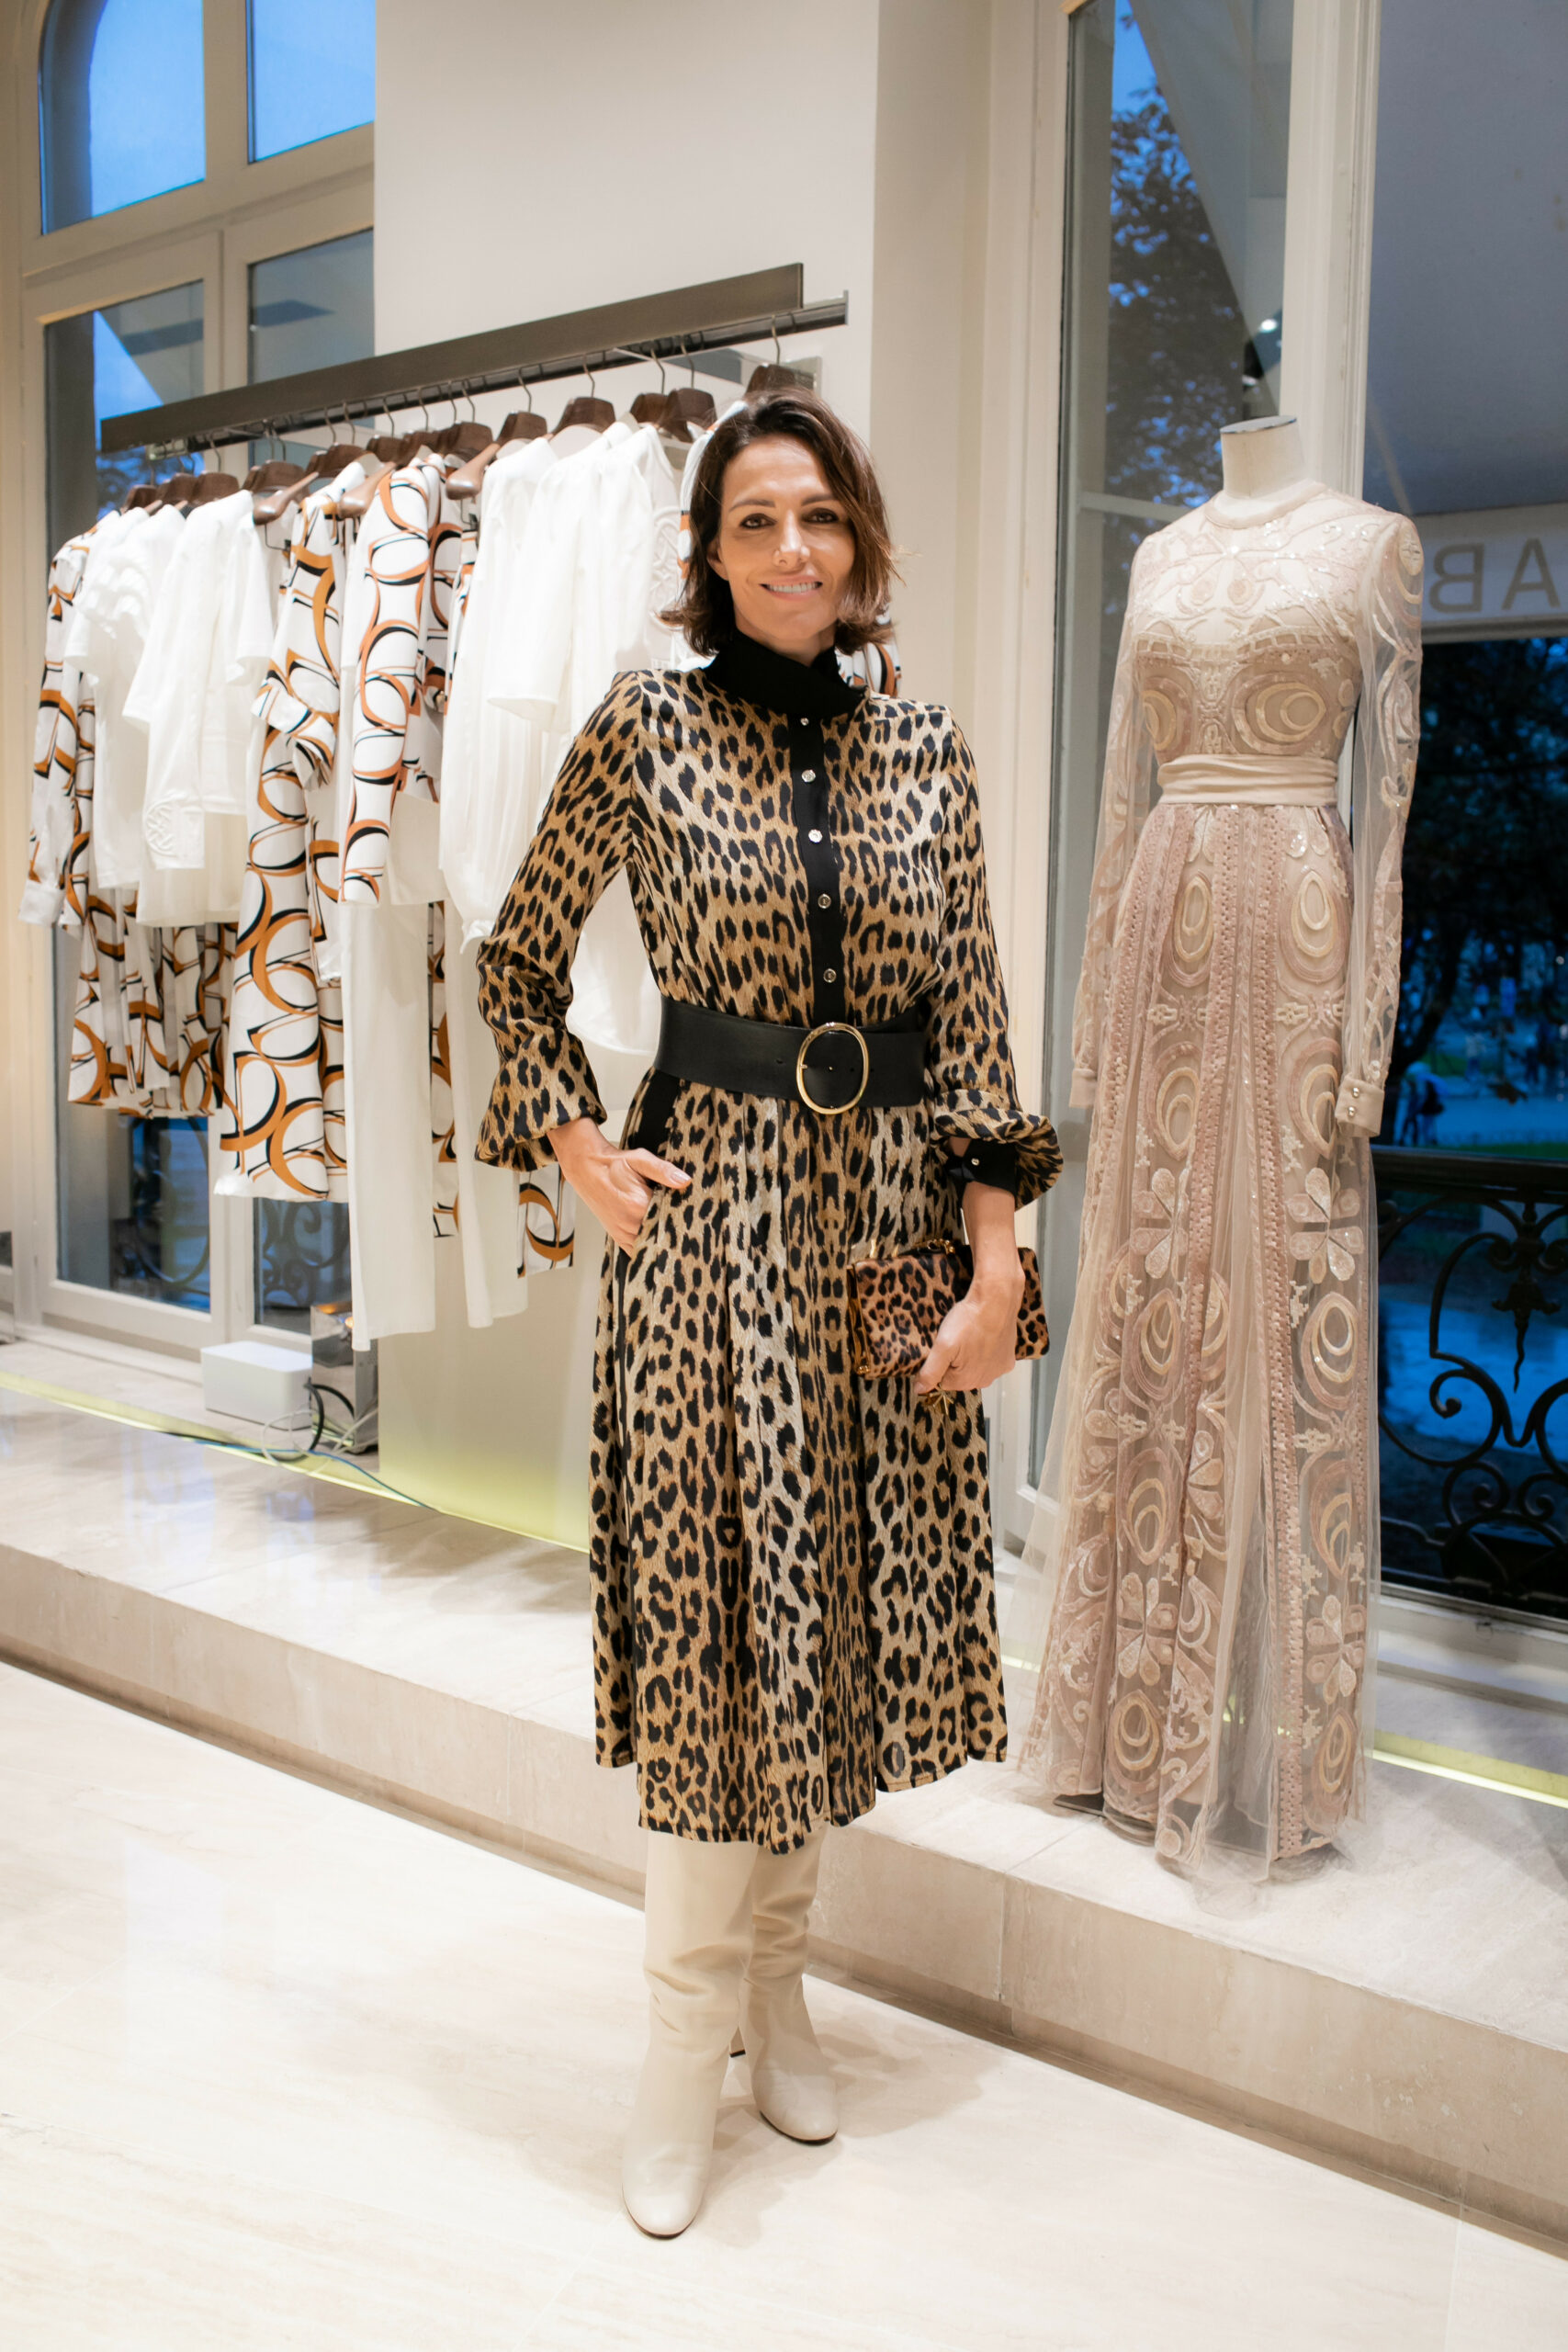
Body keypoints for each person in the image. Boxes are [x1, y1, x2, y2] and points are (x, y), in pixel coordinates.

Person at [476, 389, 1060, 2236]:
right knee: (723, 1638)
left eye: (817, 516)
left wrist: (1000, 1270)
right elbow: (514, 958)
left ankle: (778, 1993)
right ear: (710, 557)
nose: (791, 549)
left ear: (859, 538)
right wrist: (572, 1134)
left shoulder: (928, 753)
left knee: (834, 1631)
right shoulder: (645, 728)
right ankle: (678, 2045)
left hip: (884, 1228)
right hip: (710, 1230)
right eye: (754, 522)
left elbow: (972, 1025)